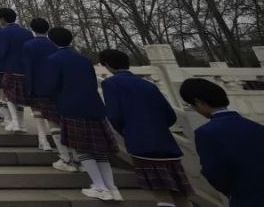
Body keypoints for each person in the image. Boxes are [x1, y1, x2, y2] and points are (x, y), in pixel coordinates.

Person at [100, 50, 192, 207]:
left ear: (107, 65)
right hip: (166, 143)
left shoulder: (110, 84)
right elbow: (170, 115)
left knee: (160, 191)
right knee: (180, 192)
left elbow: (114, 115)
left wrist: (127, 131)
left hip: (140, 142)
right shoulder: (148, 84)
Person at [44, 27, 122, 201]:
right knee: (100, 150)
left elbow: (51, 85)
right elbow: (93, 82)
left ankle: (100, 187)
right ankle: (112, 187)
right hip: (94, 106)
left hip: (72, 107)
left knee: (83, 149)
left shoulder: (53, 60)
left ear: (51, 41)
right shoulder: (84, 59)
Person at [179, 77, 264, 207]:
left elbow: (213, 171)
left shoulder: (206, 133)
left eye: (192, 105)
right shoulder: (255, 126)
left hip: (244, 197)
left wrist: (231, 192)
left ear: (199, 102)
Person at [21, 18, 59, 154]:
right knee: (54, 118)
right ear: (47, 29)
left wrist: (28, 87)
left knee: (38, 114)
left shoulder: (28, 45)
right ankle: (63, 151)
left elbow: (28, 67)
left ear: (33, 29)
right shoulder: (54, 45)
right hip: (54, 85)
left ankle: (43, 140)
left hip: (36, 83)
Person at [0, 7, 33, 132]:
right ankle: (21, 124)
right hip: (25, 68)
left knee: (10, 96)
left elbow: (3, 52)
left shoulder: (4, 32)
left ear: (2, 19)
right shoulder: (27, 32)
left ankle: (16, 122)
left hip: (11, 67)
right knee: (19, 98)